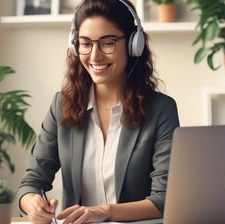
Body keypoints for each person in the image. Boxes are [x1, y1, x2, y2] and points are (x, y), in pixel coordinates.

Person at [17, 0, 180, 223]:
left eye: (108, 43)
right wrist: (33, 203)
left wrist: (105, 211)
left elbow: (165, 199)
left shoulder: (161, 110)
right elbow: (30, 183)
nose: (95, 56)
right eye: (85, 44)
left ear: (134, 44)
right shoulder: (61, 105)